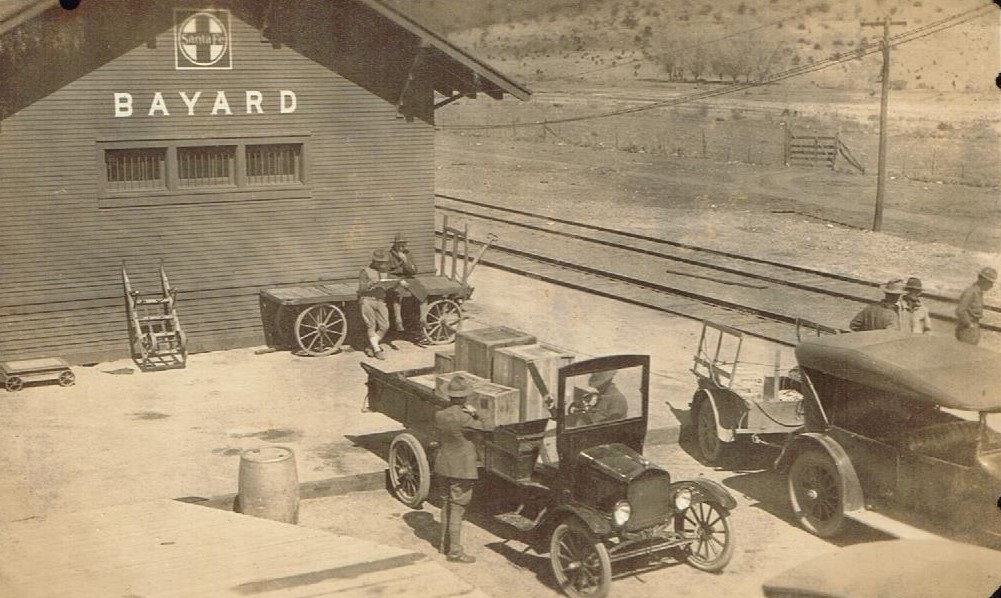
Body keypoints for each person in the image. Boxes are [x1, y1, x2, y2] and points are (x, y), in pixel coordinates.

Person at [434, 375, 484, 564]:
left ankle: (443, 545)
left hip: (443, 465)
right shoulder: (465, 417)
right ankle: (454, 552)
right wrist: (476, 413)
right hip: (461, 469)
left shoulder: (439, 414)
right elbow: (488, 427)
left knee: (446, 505)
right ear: (464, 398)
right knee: (457, 509)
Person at [358, 249, 407, 360]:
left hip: (381, 300)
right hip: (367, 300)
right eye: (379, 262)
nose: (382, 264)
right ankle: (377, 349)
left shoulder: (385, 272)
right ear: (374, 261)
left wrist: (399, 282)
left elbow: (393, 281)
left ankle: (371, 346)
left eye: (384, 262)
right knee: (371, 325)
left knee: (385, 326)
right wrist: (370, 284)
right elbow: (361, 289)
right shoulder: (365, 271)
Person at [386, 233, 425, 339]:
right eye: (400, 245)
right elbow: (386, 272)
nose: (402, 248)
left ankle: (423, 319)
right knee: (397, 293)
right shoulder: (389, 255)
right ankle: (398, 320)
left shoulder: (408, 254)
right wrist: (398, 281)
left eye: (404, 245)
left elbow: (413, 271)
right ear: (395, 245)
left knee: (422, 291)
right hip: (395, 278)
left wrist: (405, 261)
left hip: (408, 277)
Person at [955, 266, 997, 345]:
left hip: (973, 326)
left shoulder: (978, 292)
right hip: (967, 329)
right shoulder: (971, 292)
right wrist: (969, 324)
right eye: (990, 282)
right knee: (966, 354)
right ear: (983, 280)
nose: (991, 286)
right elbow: (960, 310)